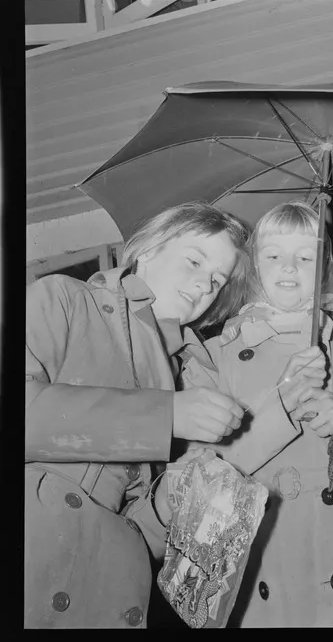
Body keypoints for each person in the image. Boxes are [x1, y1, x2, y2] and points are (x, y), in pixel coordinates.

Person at [25, 202, 251, 628]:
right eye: (194, 260)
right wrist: (164, 416)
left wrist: (170, 505)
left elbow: (134, 530)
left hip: (108, 593)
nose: (204, 283)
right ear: (147, 249)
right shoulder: (64, 299)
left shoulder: (185, 372)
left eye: (217, 279)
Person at [181, 201, 333, 627]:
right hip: (268, 556)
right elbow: (197, 487)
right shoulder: (213, 357)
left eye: (305, 256)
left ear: (325, 267)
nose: (289, 267)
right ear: (253, 266)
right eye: (273, 255)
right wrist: (282, 399)